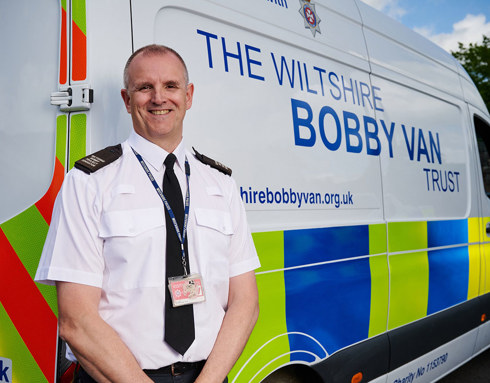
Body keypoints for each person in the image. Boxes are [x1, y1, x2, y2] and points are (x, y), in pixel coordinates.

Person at [35, 44, 260, 383]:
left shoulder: (221, 184)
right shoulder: (89, 182)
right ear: (127, 100)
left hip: (207, 376)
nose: (159, 98)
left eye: (170, 86)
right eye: (144, 88)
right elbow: (76, 320)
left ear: (189, 95)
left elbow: (246, 302)